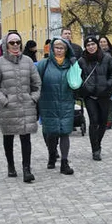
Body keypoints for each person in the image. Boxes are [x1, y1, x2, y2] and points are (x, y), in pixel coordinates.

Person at [0, 31, 41, 182]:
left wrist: (33, 98)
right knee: (9, 138)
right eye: (12, 42)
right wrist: (4, 100)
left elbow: (37, 84)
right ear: (6, 45)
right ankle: (11, 166)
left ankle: (27, 169)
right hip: (8, 108)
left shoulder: (28, 61)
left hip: (26, 105)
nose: (16, 45)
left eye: (18, 42)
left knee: (26, 138)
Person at [36, 37, 77, 175]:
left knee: (65, 132)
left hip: (65, 102)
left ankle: (64, 163)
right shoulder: (44, 64)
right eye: (57, 48)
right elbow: (36, 82)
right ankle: (52, 155)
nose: (59, 50)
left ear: (66, 50)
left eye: (62, 48)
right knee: (51, 133)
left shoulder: (71, 65)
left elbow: (77, 83)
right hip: (48, 102)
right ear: (52, 49)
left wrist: (75, 65)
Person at [79, 35, 112, 160]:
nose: (91, 47)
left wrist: (107, 85)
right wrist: (82, 89)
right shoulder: (82, 60)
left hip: (104, 94)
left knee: (102, 121)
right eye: (88, 45)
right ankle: (95, 149)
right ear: (85, 47)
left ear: (97, 45)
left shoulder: (107, 58)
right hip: (89, 95)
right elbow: (77, 77)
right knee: (93, 120)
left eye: (93, 44)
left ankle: (98, 143)